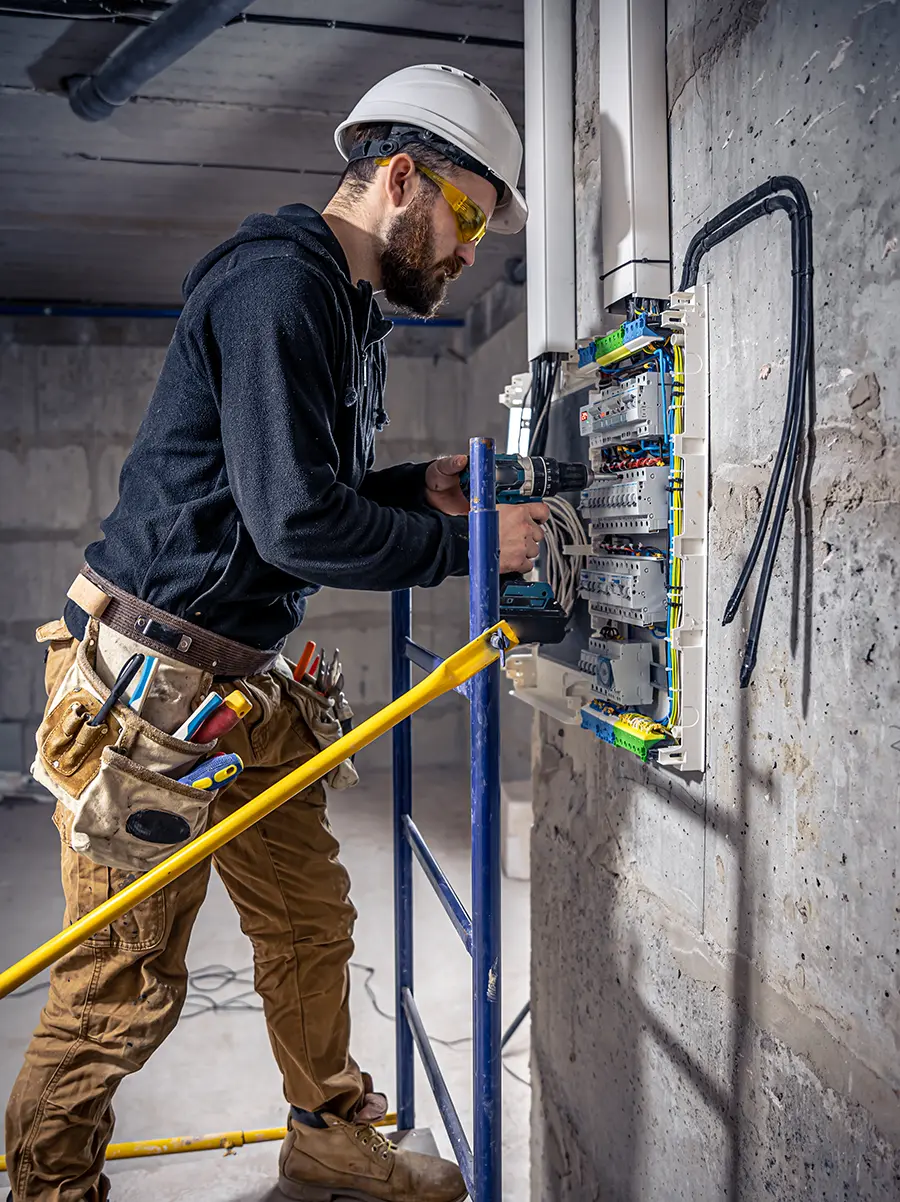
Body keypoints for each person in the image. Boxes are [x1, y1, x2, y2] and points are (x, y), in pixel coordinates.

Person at [5, 64, 547, 1202]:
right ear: (400, 178)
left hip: (237, 688)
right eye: (464, 220)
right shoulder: (278, 283)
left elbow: (295, 488)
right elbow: (299, 523)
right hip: (147, 695)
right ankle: (49, 1189)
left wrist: (416, 489)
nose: (468, 253)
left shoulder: (341, 307)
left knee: (310, 919)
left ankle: (328, 1133)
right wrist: (471, 550)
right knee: (119, 980)